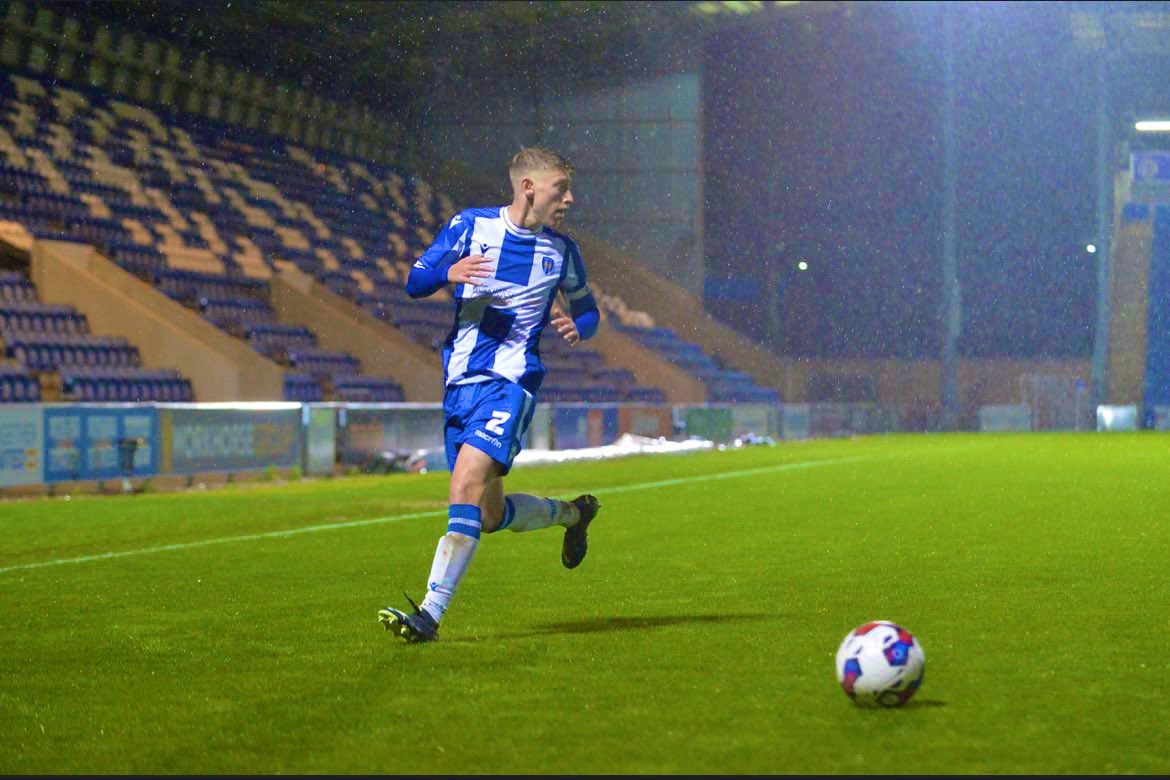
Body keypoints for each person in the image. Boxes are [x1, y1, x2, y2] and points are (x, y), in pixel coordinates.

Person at [379, 147, 602, 643]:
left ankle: (429, 616)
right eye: (559, 188)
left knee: (462, 488)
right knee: (489, 514)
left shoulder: (562, 252)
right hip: (460, 385)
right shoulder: (470, 226)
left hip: (511, 384)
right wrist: (448, 273)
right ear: (528, 187)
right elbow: (415, 280)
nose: (569, 198)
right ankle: (573, 514)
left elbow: (589, 310)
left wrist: (578, 328)